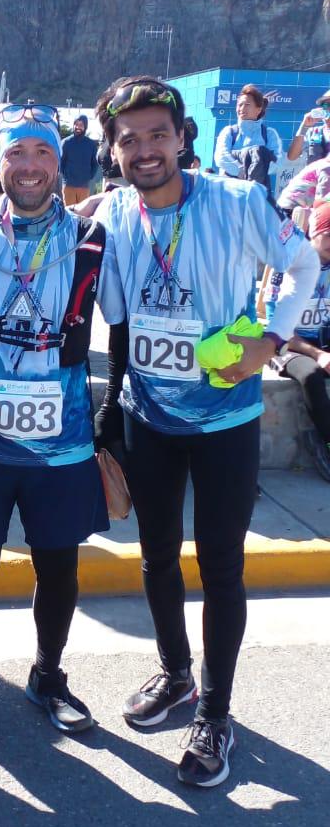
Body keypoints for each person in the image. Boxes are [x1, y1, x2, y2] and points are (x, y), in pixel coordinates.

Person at [93, 75, 318, 788]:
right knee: (156, 556)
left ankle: (215, 713)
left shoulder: (238, 200)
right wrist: (112, 406)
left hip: (225, 420)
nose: (146, 150)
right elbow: (118, 320)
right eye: (129, 139)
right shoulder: (115, 213)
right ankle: (176, 675)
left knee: (221, 567)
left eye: (158, 135)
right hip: (150, 417)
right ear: (113, 151)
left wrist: (273, 338)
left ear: (183, 138)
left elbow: (303, 262)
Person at [0, 102, 114, 736]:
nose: (29, 166)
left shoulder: (92, 238)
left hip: (61, 440)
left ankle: (48, 674)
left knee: (58, 565)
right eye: (15, 152)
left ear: (59, 163)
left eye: (41, 153)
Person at [278, 203, 330, 480]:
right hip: (288, 346)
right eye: (329, 235)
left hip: (322, 342)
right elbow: (277, 329)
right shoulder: (290, 265)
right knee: (311, 376)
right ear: (315, 233)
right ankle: (327, 442)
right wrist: (318, 355)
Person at [214, 85, 282, 195]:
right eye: (239, 105)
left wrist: (255, 173)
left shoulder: (269, 134)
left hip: (256, 194)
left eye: (247, 105)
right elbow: (220, 157)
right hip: (229, 193)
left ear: (258, 109)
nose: (242, 108)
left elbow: (277, 162)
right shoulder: (229, 131)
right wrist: (243, 171)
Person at [60, 114, 98, 206]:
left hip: (84, 187)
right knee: (69, 212)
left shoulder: (91, 144)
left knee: (83, 212)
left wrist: (89, 176)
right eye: (76, 124)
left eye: (81, 125)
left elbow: (95, 163)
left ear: (85, 127)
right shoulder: (66, 143)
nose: (78, 127)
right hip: (69, 186)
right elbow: (61, 162)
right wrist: (66, 176)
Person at [286, 90, 330, 164]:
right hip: (315, 171)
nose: (328, 109)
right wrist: (304, 126)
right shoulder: (313, 132)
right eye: (326, 105)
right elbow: (292, 157)